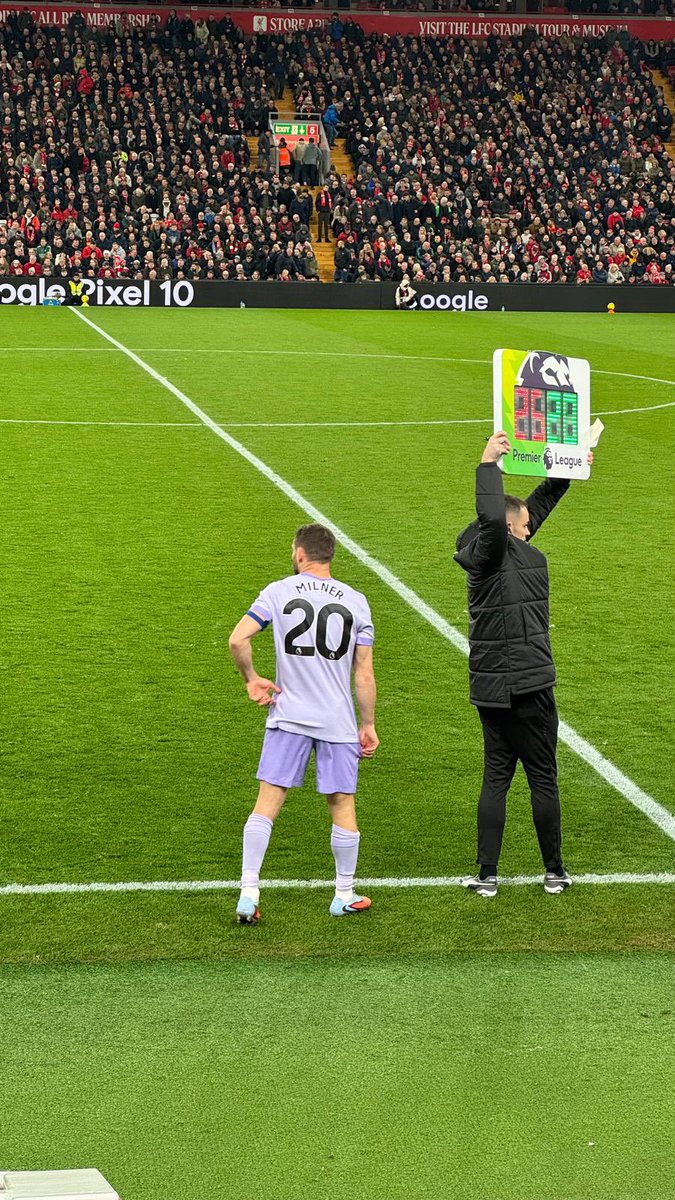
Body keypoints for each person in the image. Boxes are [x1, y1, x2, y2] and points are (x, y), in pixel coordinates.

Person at [454, 432, 593, 898]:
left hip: (490, 687)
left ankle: (487, 875)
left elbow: (531, 509)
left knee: (496, 775)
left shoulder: (485, 555)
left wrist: (567, 470)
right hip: (532, 683)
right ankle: (554, 871)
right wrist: (488, 464)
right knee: (542, 776)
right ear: (509, 530)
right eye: (525, 527)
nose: (531, 530)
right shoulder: (498, 546)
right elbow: (498, 515)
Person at [228, 523, 379, 924]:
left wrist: (252, 680)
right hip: (337, 722)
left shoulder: (278, 591)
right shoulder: (357, 602)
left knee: (267, 803)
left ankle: (248, 893)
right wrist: (369, 724)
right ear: (330, 556)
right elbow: (364, 674)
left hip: (289, 715)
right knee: (342, 804)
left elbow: (237, 640)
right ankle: (343, 894)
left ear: (299, 554)